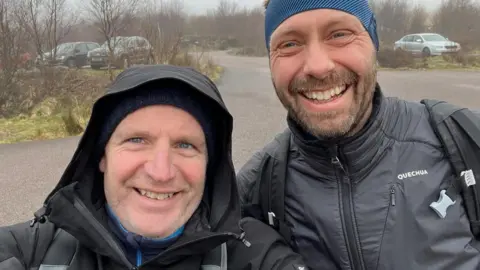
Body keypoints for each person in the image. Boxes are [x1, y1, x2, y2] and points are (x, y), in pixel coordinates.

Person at [237, 0, 480, 269]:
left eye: (339, 35)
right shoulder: (253, 189)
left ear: (373, 43)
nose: (318, 66)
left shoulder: (462, 138)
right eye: (290, 44)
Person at [0, 65, 309, 270]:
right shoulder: (33, 250)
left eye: (185, 145)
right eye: (137, 139)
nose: (161, 172)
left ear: (208, 166)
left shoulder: (254, 254)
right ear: (101, 156)